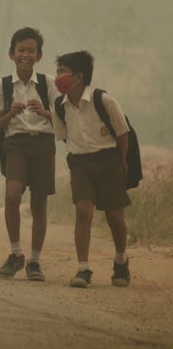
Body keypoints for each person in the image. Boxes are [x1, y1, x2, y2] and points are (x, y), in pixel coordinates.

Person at [52, 51, 131, 288]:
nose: (58, 77)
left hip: (109, 160)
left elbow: (122, 132)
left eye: (62, 72)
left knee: (115, 216)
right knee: (83, 211)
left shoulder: (103, 100)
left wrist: (122, 161)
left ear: (79, 76)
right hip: (80, 162)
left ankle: (120, 260)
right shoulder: (59, 106)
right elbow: (64, 137)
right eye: (57, 72)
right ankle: (83, 268)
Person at [0, 27, 59, 281]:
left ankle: (35, 261)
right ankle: (16, 252)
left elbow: (63, 119)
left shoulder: (49, 83)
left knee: (39, 201)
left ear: (39, 55)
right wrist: (10, 114)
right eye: (21, 50)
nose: (26, 55)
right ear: (11, 54)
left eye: (31, 51)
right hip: (15, 143)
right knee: (12, 194)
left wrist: (44, 112)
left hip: (43, 143)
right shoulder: (3, 85)